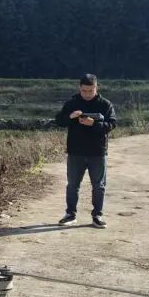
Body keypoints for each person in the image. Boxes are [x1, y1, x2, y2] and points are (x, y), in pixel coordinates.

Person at [55, 73, 117, 228]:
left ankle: (97, 215)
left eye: (91, 90)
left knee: (98, 186)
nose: (87, 94)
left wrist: (93, 124)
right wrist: (70, 116)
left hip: (97, 152)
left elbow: (111, 125)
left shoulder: (105, 104)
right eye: (84, 91)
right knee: (72, 185)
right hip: (76, 151)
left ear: (96, 88)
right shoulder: (72, 103)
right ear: (79, 88)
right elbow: (59, 121)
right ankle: (70, 214)